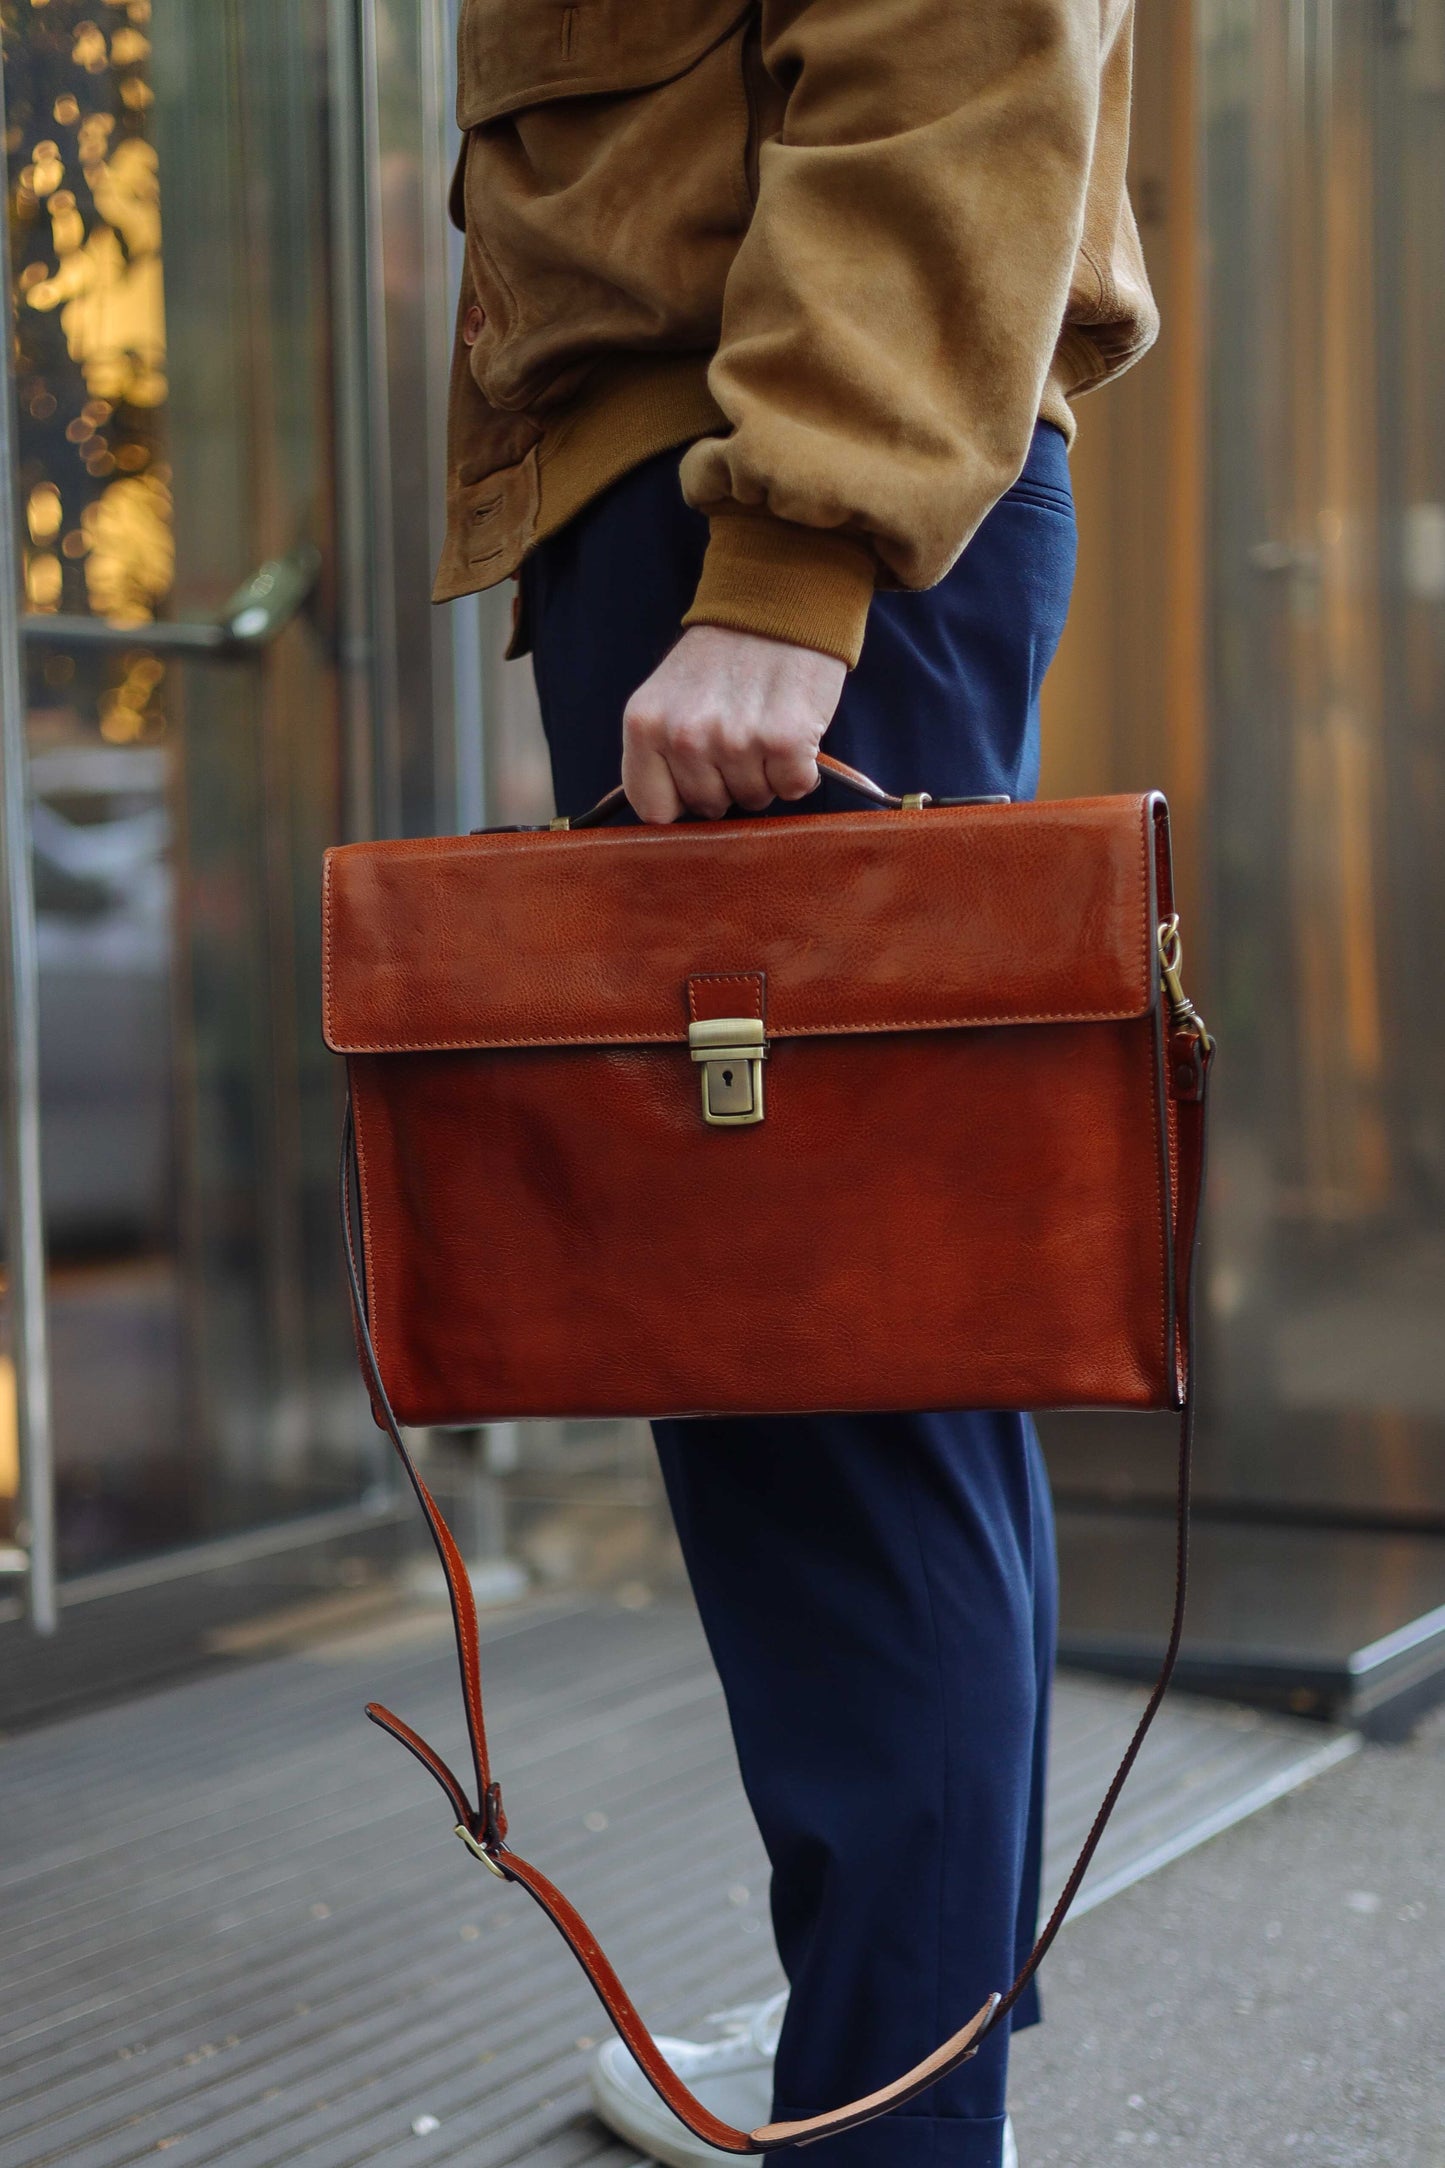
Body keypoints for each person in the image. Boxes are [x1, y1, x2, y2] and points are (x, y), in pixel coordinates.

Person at [435, 7, 1158, 2165]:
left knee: (825, 1412)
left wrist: (793, 547)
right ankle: (908, 2050)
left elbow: (961, 29)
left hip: (764, 498)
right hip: (753, 477)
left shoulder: (780, 523)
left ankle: (896, 2117)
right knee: (890, 1383)